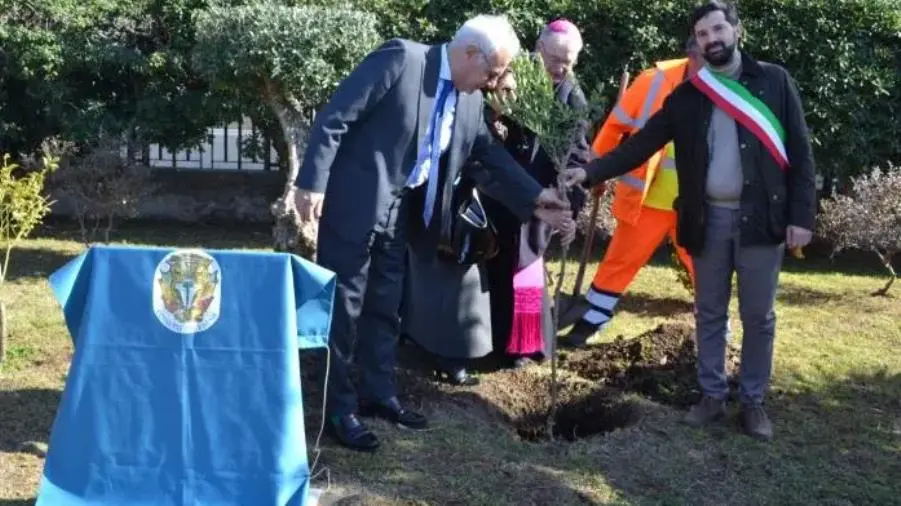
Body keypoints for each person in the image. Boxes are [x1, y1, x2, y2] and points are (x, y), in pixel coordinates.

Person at [294, 14, 573, 452]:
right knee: (345, 307)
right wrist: (312, 182)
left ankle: (378, 392)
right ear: (468, 54)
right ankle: (338, 407)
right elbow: (336, 116)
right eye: (492, 71)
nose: (493, 82)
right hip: (355, 203)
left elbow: (487, 157)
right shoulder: (402, 60)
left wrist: (538, 197)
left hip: (400, 212)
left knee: (386, 303)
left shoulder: (469, 100)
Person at [560, 0, 817, 441]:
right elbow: (640, 145)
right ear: (696, 42)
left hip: (761, 221)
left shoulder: (774, 81)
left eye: (718, 30)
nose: (711, 39)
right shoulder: (688, 95)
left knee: (759, 317)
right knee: (709, 311)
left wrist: (801, 216)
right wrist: (591, 170)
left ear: (736, 31)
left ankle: (753, 404)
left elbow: (801, 152)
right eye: (703, 34)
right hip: (706, 219)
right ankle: (711, 397)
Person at [400, 19, 590, 384]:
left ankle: (521, 348)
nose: (559, 68)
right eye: (553, 58)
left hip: (535, 201)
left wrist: (569, 209)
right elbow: (474, 126)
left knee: (523, 273)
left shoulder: (573, 98)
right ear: (538, 48)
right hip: (482, 195)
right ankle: (453, 344)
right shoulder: (503, 73)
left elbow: (577, 161)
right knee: (470, 270)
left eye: (568, 62)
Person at [559, 38, 704, 347]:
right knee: (619, 263)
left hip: (699, 206)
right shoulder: (654, 81)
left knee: (707, 272)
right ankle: (591, 321)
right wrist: (595, 170)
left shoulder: (728, 87)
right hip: (647, 200)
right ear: (690, 53)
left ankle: (717, 332)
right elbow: (615, 127)